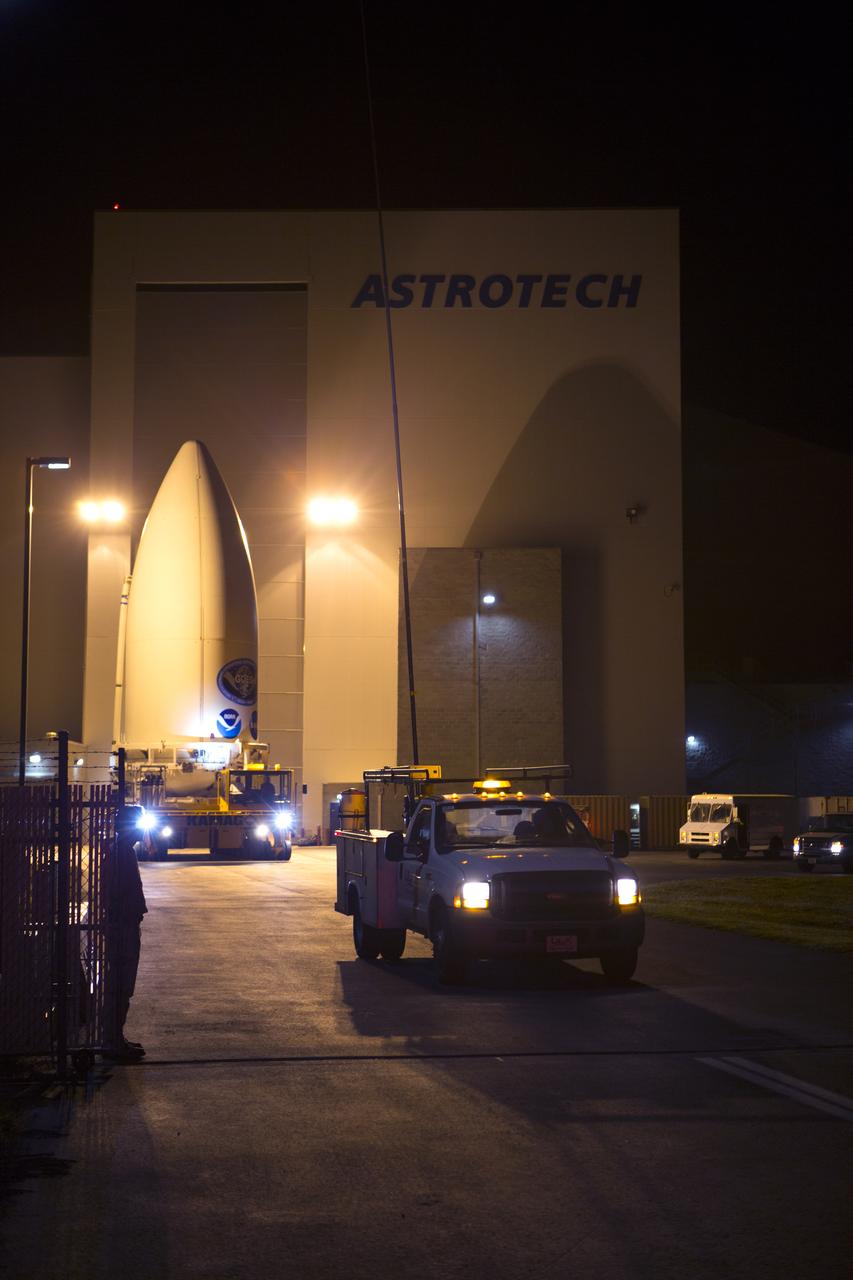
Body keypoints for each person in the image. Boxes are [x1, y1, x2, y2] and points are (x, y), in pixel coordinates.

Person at [105, 808, 148, 1060]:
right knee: (121, 984)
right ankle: (113, 1041)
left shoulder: (122, 850)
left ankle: (115, 1037)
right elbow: (119, 893)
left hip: (126, 923)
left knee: (122, 985)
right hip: (123, 926)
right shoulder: (121, 853)